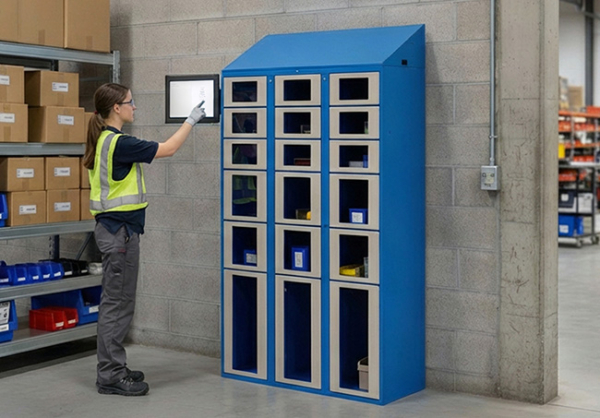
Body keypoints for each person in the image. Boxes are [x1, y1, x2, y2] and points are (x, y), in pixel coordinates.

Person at [83, 83, 205, 396]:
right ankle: (110, 375)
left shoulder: (104, 139)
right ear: (116, 108)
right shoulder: (120, 143)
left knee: (119, 303)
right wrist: (191, 120)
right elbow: (169, 148)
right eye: (130, 102)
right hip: (119, 233)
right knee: (117, 305)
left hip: (116, 231)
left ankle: (114, 366)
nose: (134, 106)